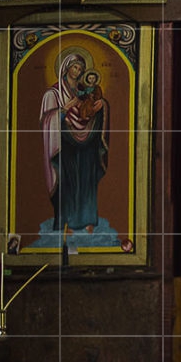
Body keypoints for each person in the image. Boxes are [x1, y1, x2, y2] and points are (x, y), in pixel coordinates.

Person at [40, 50, 111, 238]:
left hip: (87, 145)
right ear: (65, 68)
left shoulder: (85, 91)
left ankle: (87, 220)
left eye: (80, 68)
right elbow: (46, 120)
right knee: (68, 182)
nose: (77, 71)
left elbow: (93, 107)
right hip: (65, 146)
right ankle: (67, 222)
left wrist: (101, 106)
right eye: (75, 67)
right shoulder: (53, 93)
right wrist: (63, 110)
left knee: (87, 180)